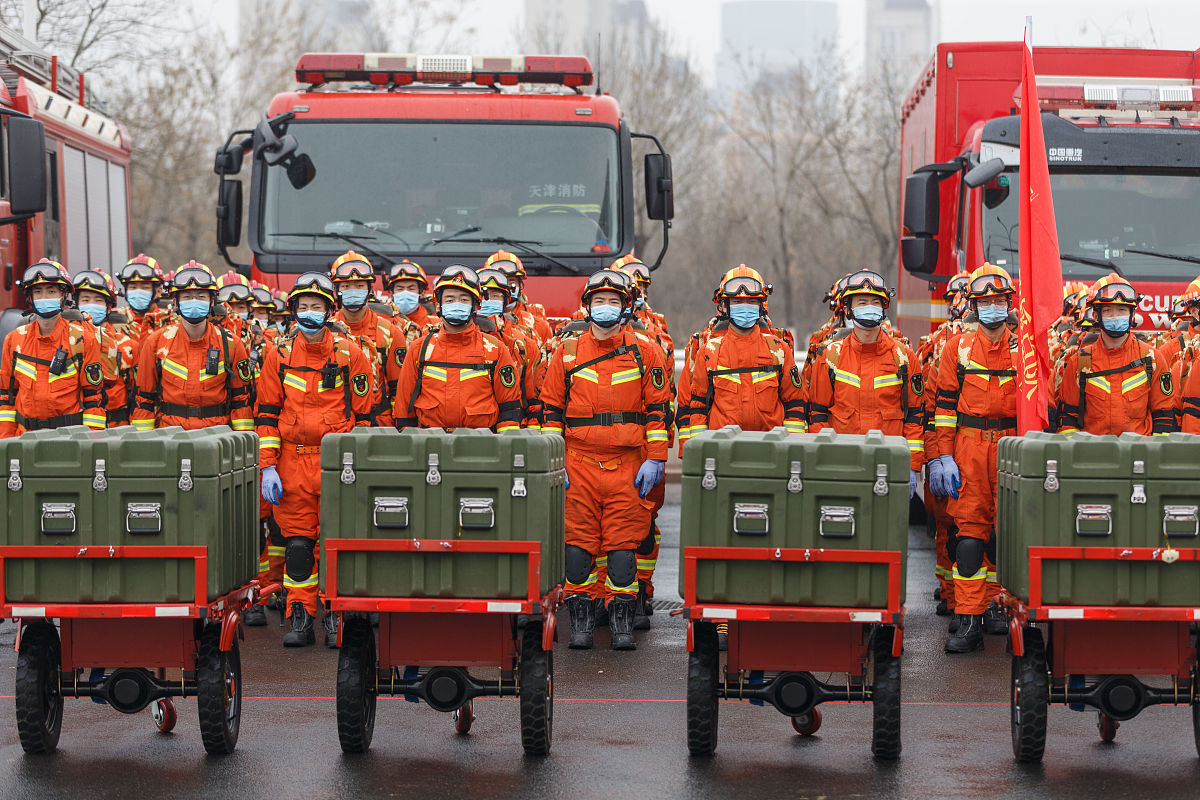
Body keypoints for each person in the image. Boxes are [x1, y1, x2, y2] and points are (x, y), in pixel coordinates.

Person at [539, 269, 672, 651]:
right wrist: (555, 461)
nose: (606, 307)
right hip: (577, 463)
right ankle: (581, 624)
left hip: (628, 465)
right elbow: (551, 411)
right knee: (577, 549)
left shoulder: (645, 351)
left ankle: (621, 624)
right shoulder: (566, 352)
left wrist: (656, 459)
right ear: (587, 306)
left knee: (622, 549)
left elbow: (658, 411)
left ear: (626, 307)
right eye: (600, 301)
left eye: (614, 301)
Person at [256, 272, 374, 647]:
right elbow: (266, 416)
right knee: (298, 546)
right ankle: (301, 616)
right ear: (293, 311)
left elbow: (364, 418)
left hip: (336, 463)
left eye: (316, 306)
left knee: (336, 542)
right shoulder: (278, 356)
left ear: (329, 310)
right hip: (292, 464)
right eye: (303, 306)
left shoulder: (351, 355)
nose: (309, 312)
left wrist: (357, 466)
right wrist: (268, 466)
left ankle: (335, 615)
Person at [931, 264, 1017, 654]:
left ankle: (996, 607)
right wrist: (943, 457)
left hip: (1012, 448)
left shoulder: (1023, 349)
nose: (993, 307)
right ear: (973, 305)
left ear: (1009, 304)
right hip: (968, 448)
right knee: (969, 538)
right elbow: (944, 409)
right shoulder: (958, 348)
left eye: (999, 300)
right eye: (986, 301)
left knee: (1004, 535)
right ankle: (968, 619)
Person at [806, 270, 925, 490]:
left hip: (890, 465)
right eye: (862, 302)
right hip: (842, 466)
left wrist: (911, 465)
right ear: (848, 310)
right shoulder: (830, 357)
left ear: (884, 308)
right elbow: (817, 415)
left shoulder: (904, 358)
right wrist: (823, 461)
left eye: (875, 302)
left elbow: (915, 416)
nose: (869, 307)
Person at [393, 265, 523, 431]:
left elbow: (509, 410)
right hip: (430, 442)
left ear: (475, 306)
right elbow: (404, 407)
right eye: (449, 300)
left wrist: (505, 443)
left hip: (482, 442)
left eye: (464, 300)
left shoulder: (495, 349)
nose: (456, 304)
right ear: (438, 306)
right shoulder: (419, 349)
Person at [131, 263, 254, 433]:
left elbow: (241, 402)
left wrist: (242, 443)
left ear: (212, 301)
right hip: (170, 436)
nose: (194, 301)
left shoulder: (231, 344)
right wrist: (143, 443)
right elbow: (143, 400)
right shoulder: (156, 343)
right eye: (187, 296)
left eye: (201, 296)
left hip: (217, 437)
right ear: (176, 301)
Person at [680, 271, 804, 440]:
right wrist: (700, 449)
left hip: (771, 448)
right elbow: (698, 408)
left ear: (761, 306)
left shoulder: (779, 350)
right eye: (737, 302)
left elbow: (795, 405)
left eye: (751, 301)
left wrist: (793, 447)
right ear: (724, 306)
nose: (745, 307)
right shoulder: (708, 352)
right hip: (722, 448)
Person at [1054, 274, 1175, 436]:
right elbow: (1067, 420)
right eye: (1108, 310)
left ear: (1132, 314)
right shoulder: (1079, 362)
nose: (1115, 316)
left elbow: (1164, 418)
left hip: (1140, 451)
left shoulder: (1152, 359)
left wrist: (1155, 451)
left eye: (1122, 310)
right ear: (1096, 316)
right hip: (1092, 451)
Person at [0, 260, 106, 437]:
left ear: (64, 295)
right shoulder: (14, 340)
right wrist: (6, 444)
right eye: (38, 292)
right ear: (30, 297)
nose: (44, 297)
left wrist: (89, 444)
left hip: (68, 440)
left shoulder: (83, 340)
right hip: (24, 439)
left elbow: (94, 401)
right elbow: (6, 398)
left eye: (51, 291)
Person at [329, 250, 416, 427]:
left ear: (370, 290)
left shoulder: (390, 333)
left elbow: (400, 388)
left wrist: (399, 427)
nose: (353, 291)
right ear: (336, 290)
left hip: (380, 424)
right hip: (337, 424)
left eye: (360, 285)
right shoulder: (326, 332)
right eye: (346, 286)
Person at [73, 270, 132, 427]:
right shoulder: (68, 343)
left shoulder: (128, 346)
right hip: (76, 428)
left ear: (109, 307)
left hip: (119, 429)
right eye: (85, 299)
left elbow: (140, 398)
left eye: (98, 300)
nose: (91, 305)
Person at [486, 251, 553, 343]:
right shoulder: (472, 322)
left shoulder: (539, 325)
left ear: (520, 284)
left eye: (511, 281)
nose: (505, 288)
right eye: (498, 282)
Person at [117, 254, 169, 342]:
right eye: (133, 287)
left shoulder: (169, 321)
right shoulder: (113, 320)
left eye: (145, 287)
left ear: (158, 291)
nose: (138, 292)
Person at [387, 259, 439, 330]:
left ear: (422, 292)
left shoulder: (436, 324)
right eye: (400, 289)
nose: (405, 293)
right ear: (391, 293)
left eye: (411, 289)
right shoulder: (382, 322)